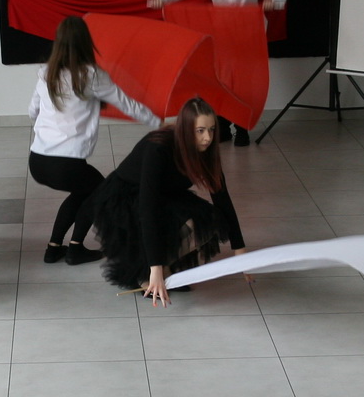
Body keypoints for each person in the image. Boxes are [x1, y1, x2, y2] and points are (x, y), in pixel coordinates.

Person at [86, 97, 247, 306]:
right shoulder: (158, 147)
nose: (207, 138)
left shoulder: (206, 151)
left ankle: (167, 267)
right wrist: (155, 268)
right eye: (200, 131)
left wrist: (240, 252)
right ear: (185, 130)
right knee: (156, 238)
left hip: (165, 193)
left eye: (211, 129)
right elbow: (147, 210)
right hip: (125, 198)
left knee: (210, 219)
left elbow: (222, 199)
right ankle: (148, 272)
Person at [28, 16, 159, 266]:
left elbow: (32, 110)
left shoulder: (46, 73)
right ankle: (75, 249)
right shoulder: (91, 75)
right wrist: (159, 123)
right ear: (85, 42)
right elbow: (127, 104)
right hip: (66, 164)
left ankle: (53, 248)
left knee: (83, 192)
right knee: (100, 192)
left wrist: (48, 129)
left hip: (38, 161)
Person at [147, 0, 284, 146]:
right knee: (220, 79)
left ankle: (242, 128)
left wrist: (274, 0)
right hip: (220, 33)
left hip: (247, 32)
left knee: (243, 82)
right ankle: (222, 127)